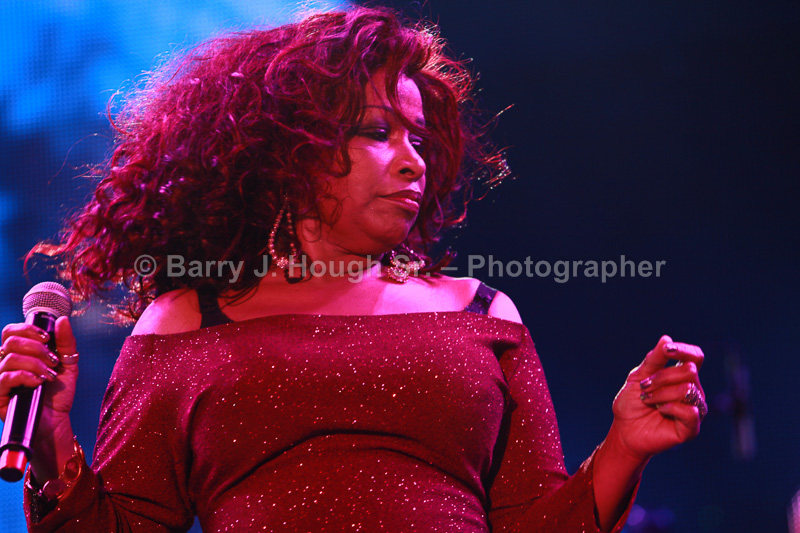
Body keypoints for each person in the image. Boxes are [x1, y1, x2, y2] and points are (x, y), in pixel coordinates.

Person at [0, 6, 706, 532]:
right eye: (377, 132)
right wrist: (54, 447)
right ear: (288, 147)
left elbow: (534, 523)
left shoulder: (481, 313)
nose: (413, 160)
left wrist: (624, 446)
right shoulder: (184, 322)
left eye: (418, 138)